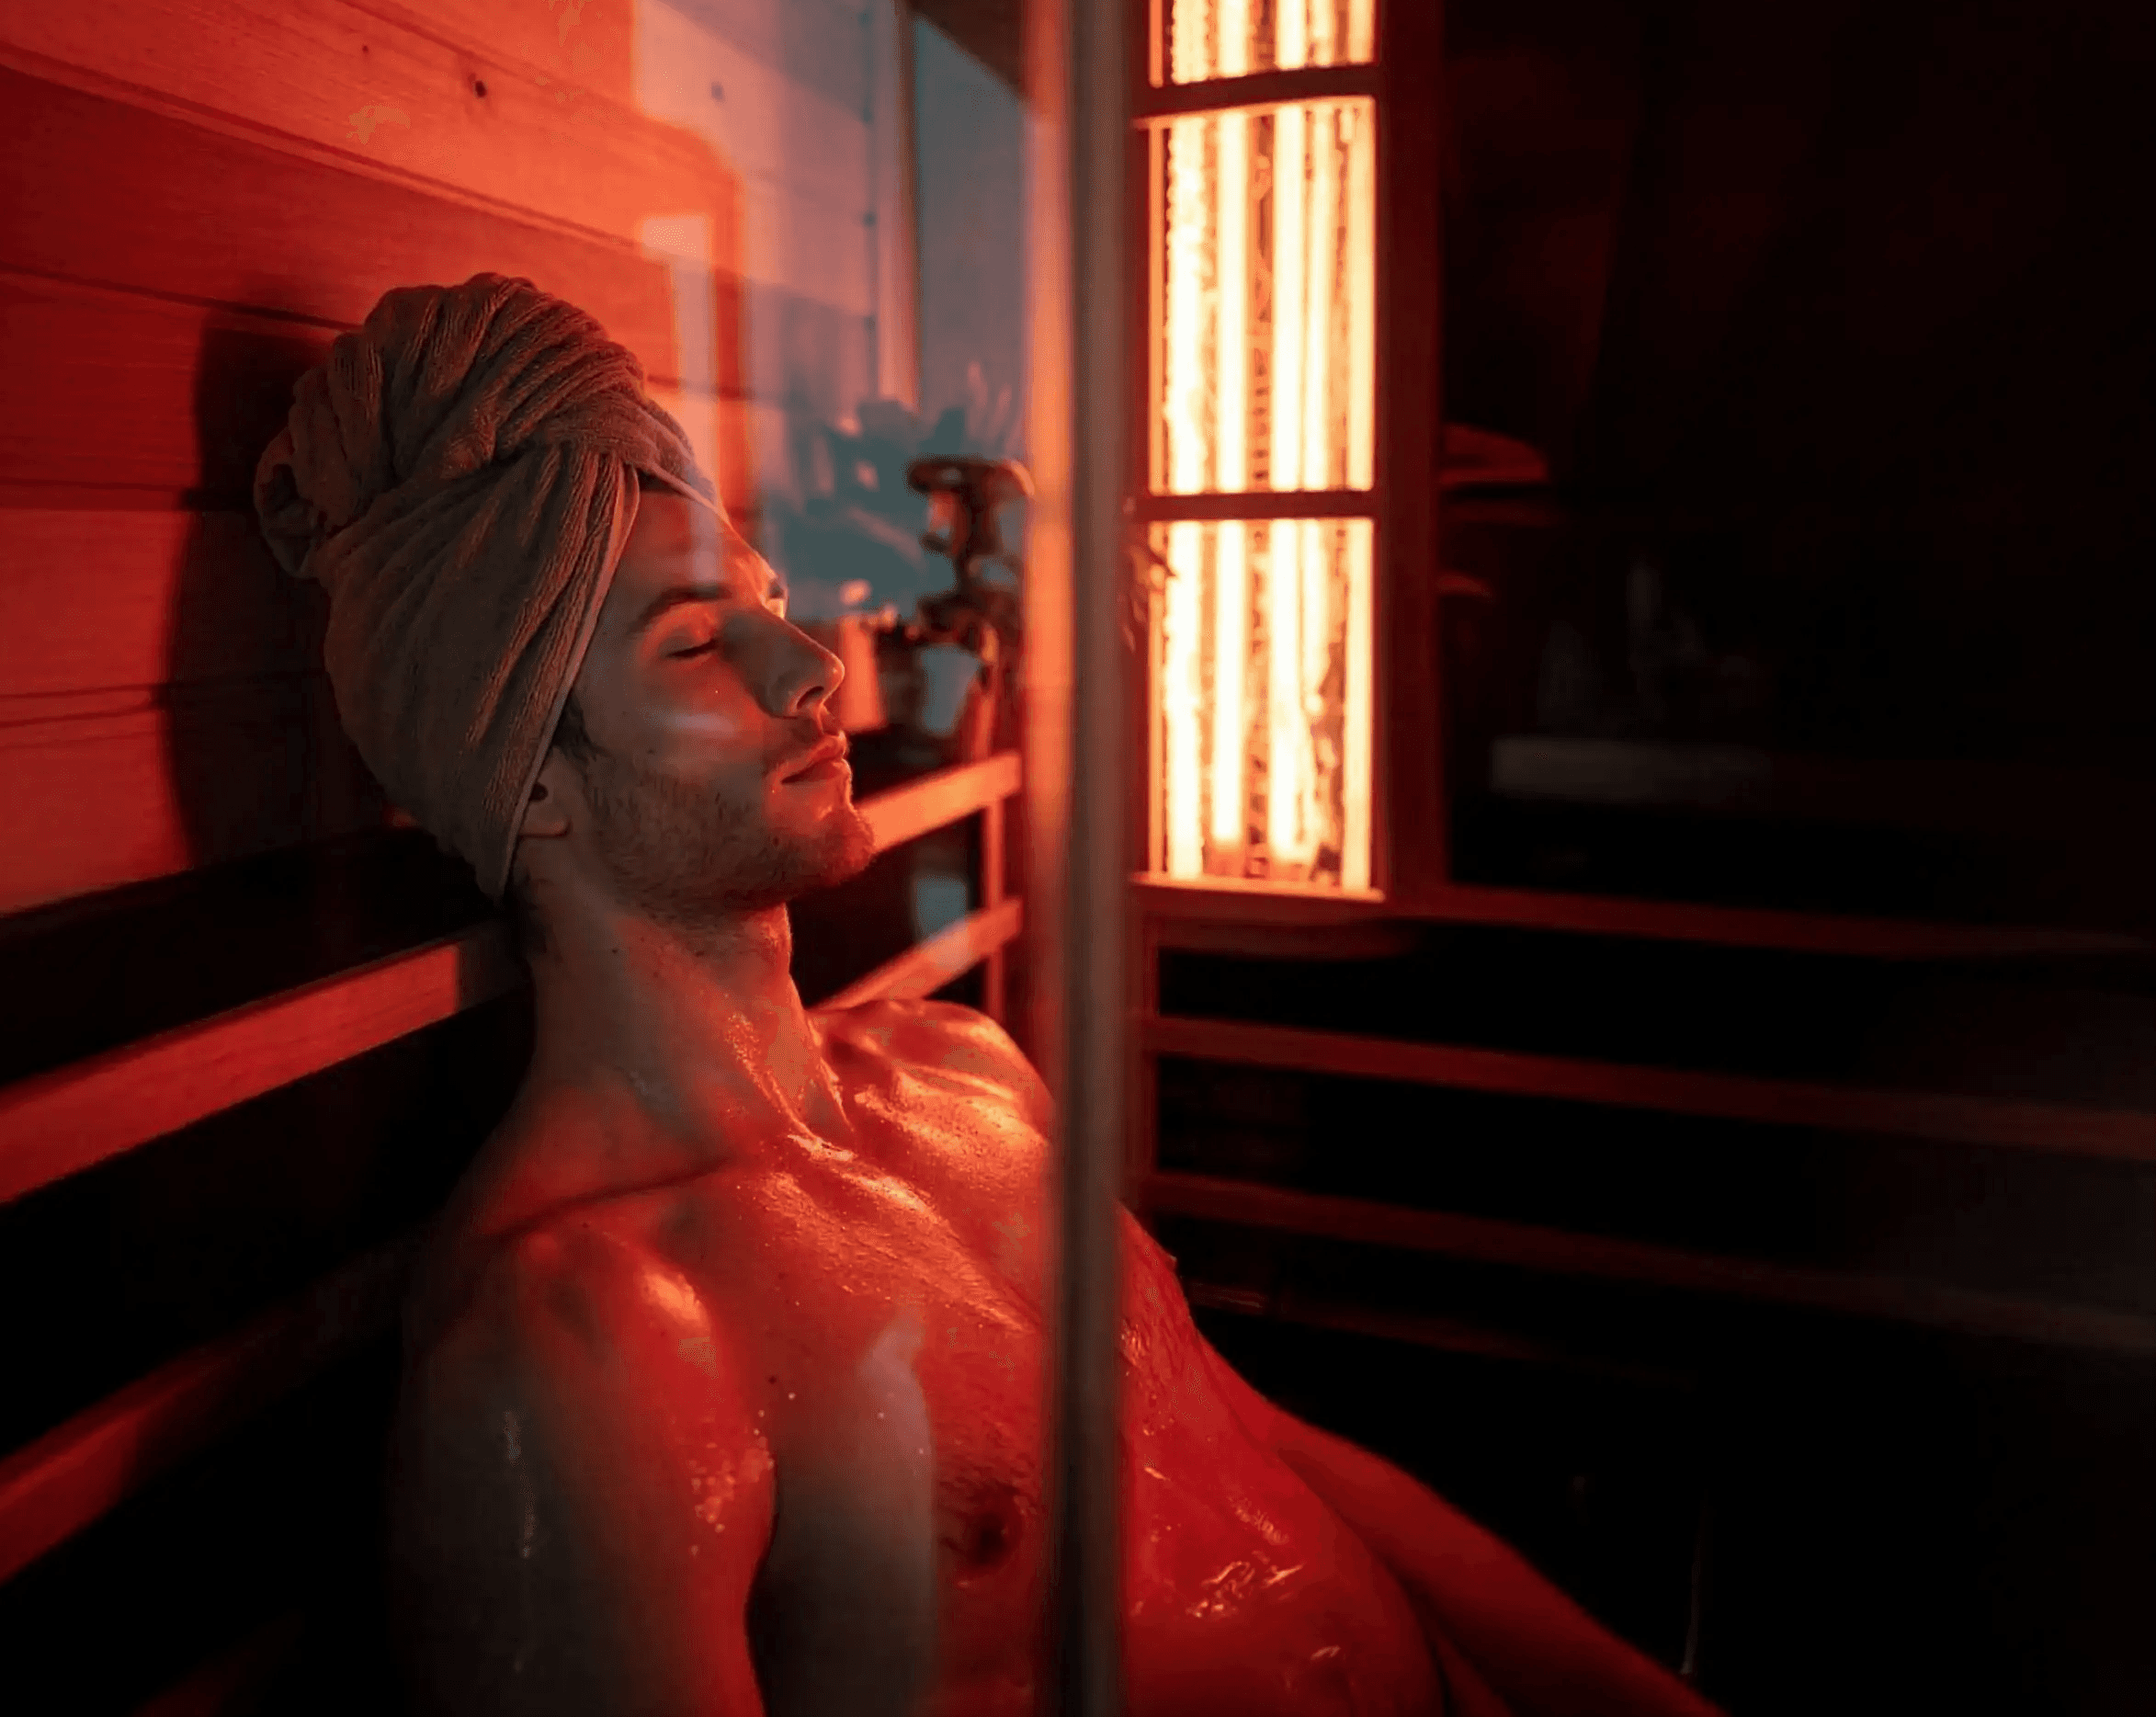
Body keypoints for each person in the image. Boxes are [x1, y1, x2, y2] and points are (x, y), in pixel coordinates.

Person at [255, 275, 1718, 1717]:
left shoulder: (960, 1069)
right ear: (538, 784)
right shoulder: (578, 1340)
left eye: (769, 602)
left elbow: (1262, 1445)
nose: (815, 665)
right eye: (697, 643)